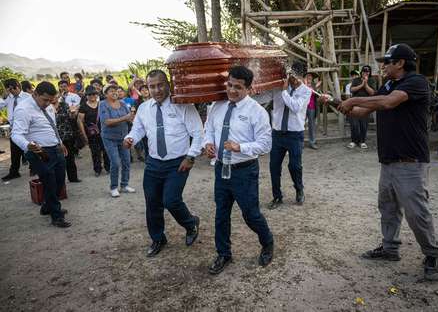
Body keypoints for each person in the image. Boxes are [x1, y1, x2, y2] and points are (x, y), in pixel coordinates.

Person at [338, 43, 438, 281]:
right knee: (388, 208)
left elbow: (386, 103)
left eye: (387, 61)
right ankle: (389, 248)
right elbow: (362, 112)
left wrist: (354, 100)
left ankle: (432, 254)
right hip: (389, 160)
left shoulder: (416, 82)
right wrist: (337, 103)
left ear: (400, 63)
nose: (382, 66)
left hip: (410, 161)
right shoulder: (388, 84)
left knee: (417, 213)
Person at [204, 65, 274, 274]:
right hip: (221, 168)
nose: (232, 90)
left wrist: (240, 147)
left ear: (249, 89)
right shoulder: (217, 106)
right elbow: (209, 128)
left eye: (238, 87)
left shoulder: (257, 112)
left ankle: (267, 242)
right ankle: (223, 254)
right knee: (221, 214)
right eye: (230, 85)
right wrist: (208, 143)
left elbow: (265, 144)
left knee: (251, 214)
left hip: (244, 171)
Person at [124, 69, 202, 257]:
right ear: (147, 88)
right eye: (152, 86)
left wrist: (191, 157)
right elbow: (138, 130)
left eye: (160, 85)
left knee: (171, 200)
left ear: (168, 84)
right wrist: (130, 139)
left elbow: (198, 133)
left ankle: (191, 224)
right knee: (152, 202)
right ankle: (158, 238)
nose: (157, 90)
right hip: (154, 163)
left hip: (179, 162)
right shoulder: (144, 108)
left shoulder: (183, 105)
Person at [11, 81, 71, 228]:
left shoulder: (49, 106)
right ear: (35, 94)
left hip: (55, 148)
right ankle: (56, 216)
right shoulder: (23, 109)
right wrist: (28, 145)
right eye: (45, 100)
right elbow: (16, 134)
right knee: (49, 181)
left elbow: (52, 127)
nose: (48, 103)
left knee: (59, 181)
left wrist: (60, 142)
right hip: (39, 152)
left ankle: (47, 206)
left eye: (51, 100)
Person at [268, 61, 312, 209]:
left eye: (294, 76)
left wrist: (284, 91)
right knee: (274, 166)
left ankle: (299, 189)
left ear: (301, 77)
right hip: (278, 133)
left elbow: (295, 106)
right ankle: (277, 196)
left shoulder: (306, 91)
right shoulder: (278, 87)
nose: (291, 79)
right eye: (289, 75)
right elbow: (263, 98)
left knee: (295, 166)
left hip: (295, 134)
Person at [100, 84, 135, 197]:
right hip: (109, 138)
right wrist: (125, 117)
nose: (115, 92)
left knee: (126, 161)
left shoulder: (123, 103)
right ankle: (114, 187)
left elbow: (130, 118)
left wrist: (133, 118)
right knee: (115, 162)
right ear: (105, 94)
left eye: (116, 90)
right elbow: (107, 122)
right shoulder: (103, 104)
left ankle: (124, 185)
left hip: (123, 137)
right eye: (111, 91)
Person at [0, 78, 31, 181]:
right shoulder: (9, 97)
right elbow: (0, 105)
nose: (11, 92)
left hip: (26, 127)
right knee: (14, 151)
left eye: (11, 89)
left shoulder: (27, 97)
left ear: (17, 87)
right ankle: (14, 172)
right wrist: (4, 95)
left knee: (29, 148)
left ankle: (34, 168)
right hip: (14, 127)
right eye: (9, 90)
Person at [78, 86, 110, 176]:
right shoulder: (83, 106)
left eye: (94, 94)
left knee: (106, 150)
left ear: (97, 95)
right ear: (86, 96)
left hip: (104, 132)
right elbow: (80, 121)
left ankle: (108, 167)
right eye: (90, 94)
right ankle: (97, 169)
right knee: (95, 152)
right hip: (92, 134)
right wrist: (83, 135)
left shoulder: (102, 104)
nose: (92, 96)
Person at [52, 90, 81, 183]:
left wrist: (73, 113)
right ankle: (59, 180)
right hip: (54, 138)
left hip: (67, 135)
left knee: (70, 158)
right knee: (57, 160)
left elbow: (71, 117)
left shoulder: (64, 105)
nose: (54, 97)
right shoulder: (46, 107)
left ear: (58, 96)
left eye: (55, 95)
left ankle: (73, 178)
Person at [347, 65, 377, 149]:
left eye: (367, 72)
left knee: (364, 124)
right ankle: (353, 141)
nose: (365, 73)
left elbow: (372, 93)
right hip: (355, 105)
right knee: (354, 124)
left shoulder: (372, 80)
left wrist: (366, 84)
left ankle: (362, 141)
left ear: (369, 72)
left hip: (365, 105)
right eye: (364, 71)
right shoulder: (356, 80)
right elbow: (352, 90)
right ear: (361, 72)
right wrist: (361, 85)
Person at [304, 72, 321, 150]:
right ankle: (300, 143)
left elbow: (318, 95)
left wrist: (316, 89)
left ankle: (312, 142)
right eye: (308, 76)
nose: (309, 78)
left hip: (311, 107)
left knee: (312, 125)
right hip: (302, 107)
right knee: (300, 125)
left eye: (310, 77)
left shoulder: (314, 86)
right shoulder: (302, 85)